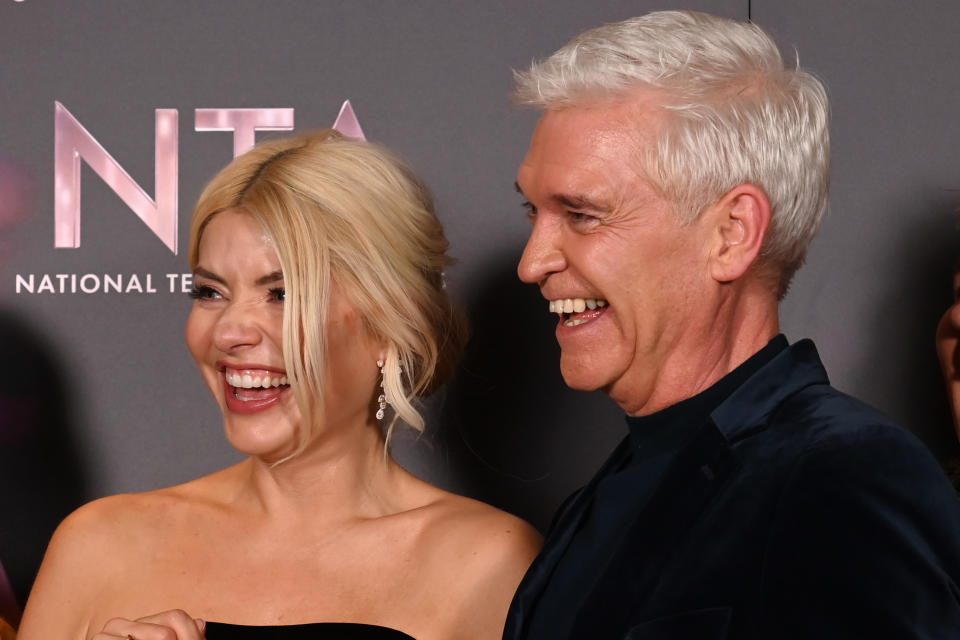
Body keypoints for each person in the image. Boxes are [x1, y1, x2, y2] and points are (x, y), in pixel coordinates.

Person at [505, 10, 960, 639]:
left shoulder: (842, 478)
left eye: (582, 215)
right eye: (535, 211)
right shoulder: (597, 505)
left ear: (732, 234)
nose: (532, 263)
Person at [18, 130, 541, 639]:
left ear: (390, 322)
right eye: (210, 291)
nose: (228, 331)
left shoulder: (490, 563)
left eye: (282, 294)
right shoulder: (99, 545)